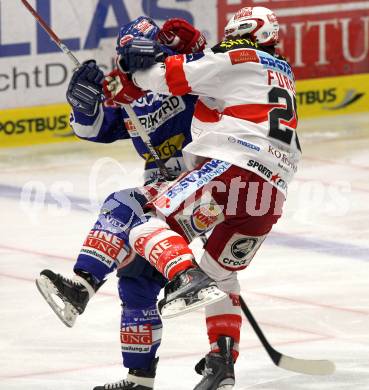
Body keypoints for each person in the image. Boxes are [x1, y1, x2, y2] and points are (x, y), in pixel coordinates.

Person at [114, 6, 302, 389]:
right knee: (223, 274)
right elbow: (208, 108)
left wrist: (132, 65)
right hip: (271, 193)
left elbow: (166, 78)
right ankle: (223, 362)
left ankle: (187, 276)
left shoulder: (235, 56)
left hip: (233, 167)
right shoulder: (280, 72)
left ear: (242, 31)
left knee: (145, 230)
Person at [35, 16, 206, 390]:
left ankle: (81, 285)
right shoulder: (129, 99)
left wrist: (181, 52)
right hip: (167, 193)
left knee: (121, 204)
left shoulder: (186, 73)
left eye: (140, 56)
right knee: (136, 280)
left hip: (209, 182)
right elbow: (92, 129)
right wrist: (84, 103)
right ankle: (139, 381)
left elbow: (208, 69)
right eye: (126, 58)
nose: (131, 65)